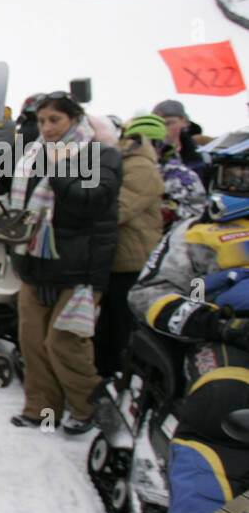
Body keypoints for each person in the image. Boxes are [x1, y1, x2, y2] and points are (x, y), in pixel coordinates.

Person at [129, 129, 249, 513]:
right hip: (222, 338)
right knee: (227, 413)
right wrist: (216, 324)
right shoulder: (197, 230)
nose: (240, 185)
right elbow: (149, 294)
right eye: (237, 175)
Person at [7, 93, 122, 433]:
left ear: (74, 119)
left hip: (79, 268)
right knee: (33, 343)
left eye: (54, 120)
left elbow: (94, 200)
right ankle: (41, 410)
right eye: (42, 121)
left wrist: (58, 168)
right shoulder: (31, 155)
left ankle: (90, 408)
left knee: (65, 343)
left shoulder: (102, 154)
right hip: (35, 263)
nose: (47, 128)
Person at [94, 114, 165, 377]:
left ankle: (113, 377)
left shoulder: (141, 168)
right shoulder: (129, 162)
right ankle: (107, 373)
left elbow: (116, 210)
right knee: (108, 325)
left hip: (130, 259)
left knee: (118, 326)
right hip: (118, 256)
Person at [153, 99, 211, 188]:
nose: (163, 129)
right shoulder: (142, 152)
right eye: (157, 124)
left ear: (184, 121)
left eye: (169, 123)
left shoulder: (201, 158)